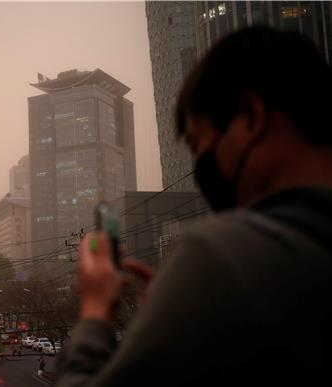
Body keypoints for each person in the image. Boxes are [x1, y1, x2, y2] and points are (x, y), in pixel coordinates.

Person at [55, 26, 332, 387]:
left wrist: (95, 311)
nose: (201, 164)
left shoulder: (225, 254)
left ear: (251, 116)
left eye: (200, 143)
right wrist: (181, 310)